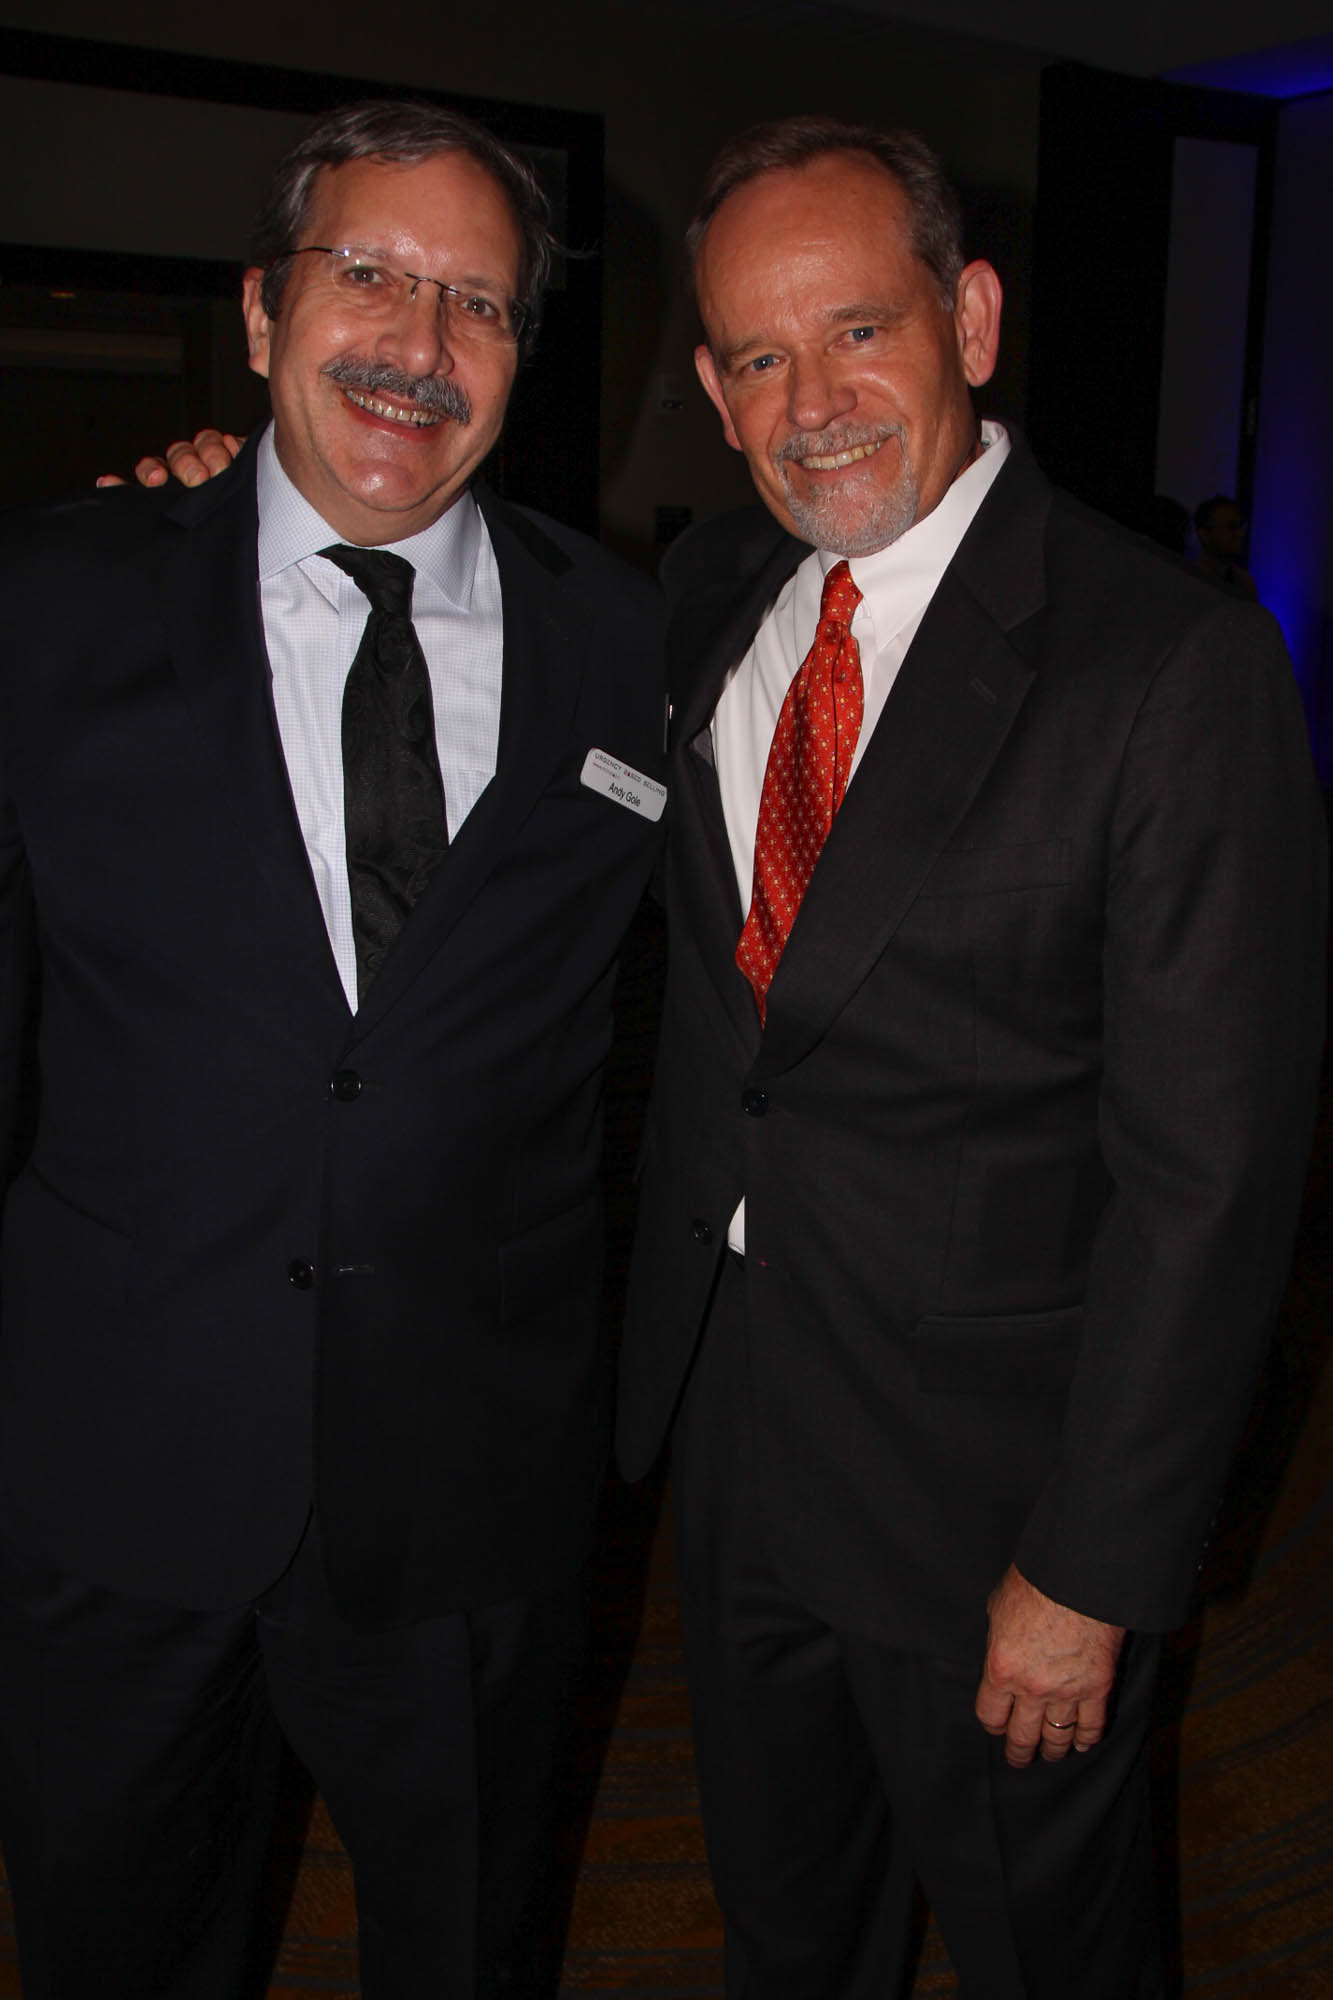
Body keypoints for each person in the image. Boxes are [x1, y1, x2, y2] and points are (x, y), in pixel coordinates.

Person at [612, 117, 1326, 1997]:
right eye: (758, 358)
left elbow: (1209, 1181)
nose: (811, 404)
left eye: (858, 330)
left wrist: (1094, 1564)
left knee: (1049, 1957)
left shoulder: (1169, 668)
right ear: (712, 390)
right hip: (739, 1438)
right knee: (789, 1935)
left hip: (999, 1502)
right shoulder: (701, 599)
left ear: (973, 319)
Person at [0, 99, 663, 1999]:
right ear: (262, 311)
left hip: (468, 1495)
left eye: (478, 302)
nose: (418, 341)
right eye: (367, 272)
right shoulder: (49, 600)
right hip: (115, 1488)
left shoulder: (633, 645)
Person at [1192, 493, 1259, 600]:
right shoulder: (1191, 579)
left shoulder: (1244, 582)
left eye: (1240, 526)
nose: (1240, 534)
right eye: (1231, 527)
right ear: (1204, 534)